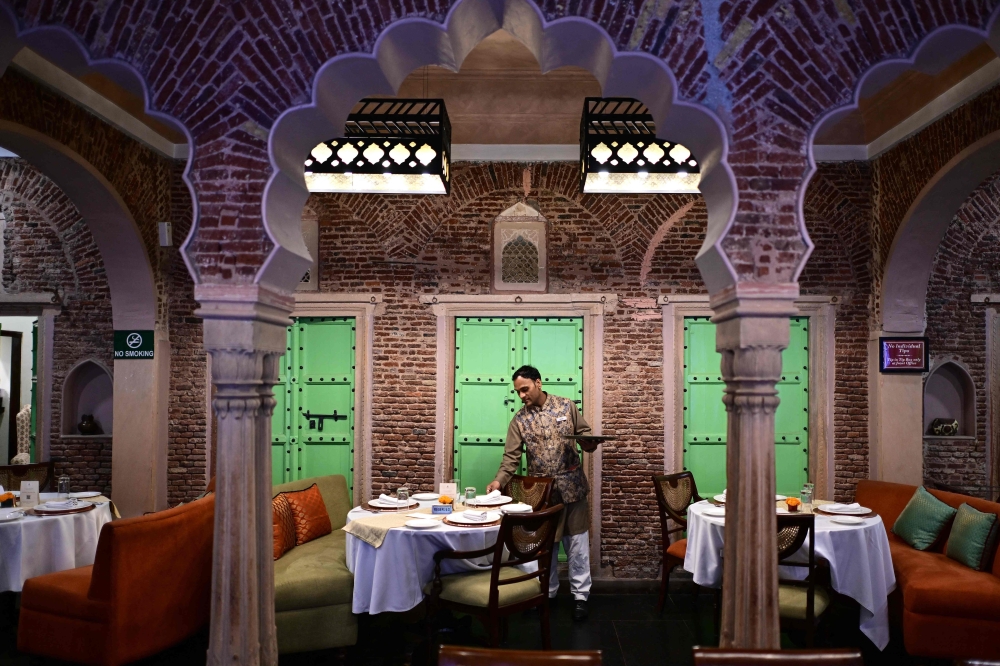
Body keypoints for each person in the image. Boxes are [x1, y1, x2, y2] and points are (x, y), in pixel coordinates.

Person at [486, 365, 599, 621]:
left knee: (577, 544)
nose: (522, 395)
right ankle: (545, 593)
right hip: (540, 494)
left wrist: (588, 442)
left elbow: (584, 434)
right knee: (543, 546)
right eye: (518, 392)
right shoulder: (519, 420)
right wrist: (498, 481)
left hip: (573, 489)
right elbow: (510, 459)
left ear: (538, 382)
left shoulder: (567, 406)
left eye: (525, 389)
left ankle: (581, 597)